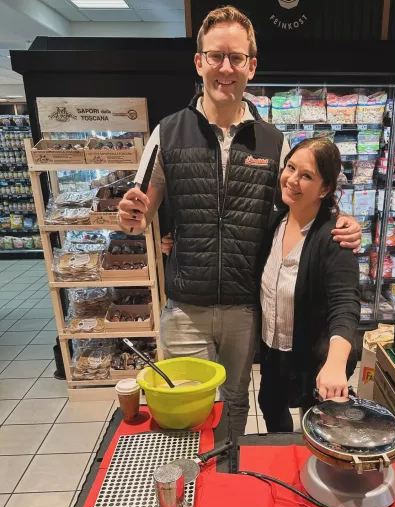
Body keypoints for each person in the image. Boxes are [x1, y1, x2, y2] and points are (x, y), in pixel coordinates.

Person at [117, 6, 362, 441]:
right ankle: (191, 478)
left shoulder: (272, 141)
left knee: (234, 404)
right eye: (216, 56)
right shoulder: (167, 133)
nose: (225, 68)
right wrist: (131, 218)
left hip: (245, 309)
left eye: (236, 58)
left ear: (251, 66)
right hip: (186, 308)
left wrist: (342, 220)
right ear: (199, 62)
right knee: (184, 406)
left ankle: (227, 474)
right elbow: (140, 218)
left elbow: (298, 205)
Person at [258, 138, 361, 433]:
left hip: (315, 356)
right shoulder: (275, 223)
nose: (292, 180)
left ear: (325, 188)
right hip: (273, 351)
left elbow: (345, 304)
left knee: (317, 426)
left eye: (306, 176)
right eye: (291, 168)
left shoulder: (334, 237)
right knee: (271, 409)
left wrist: (335, 363)